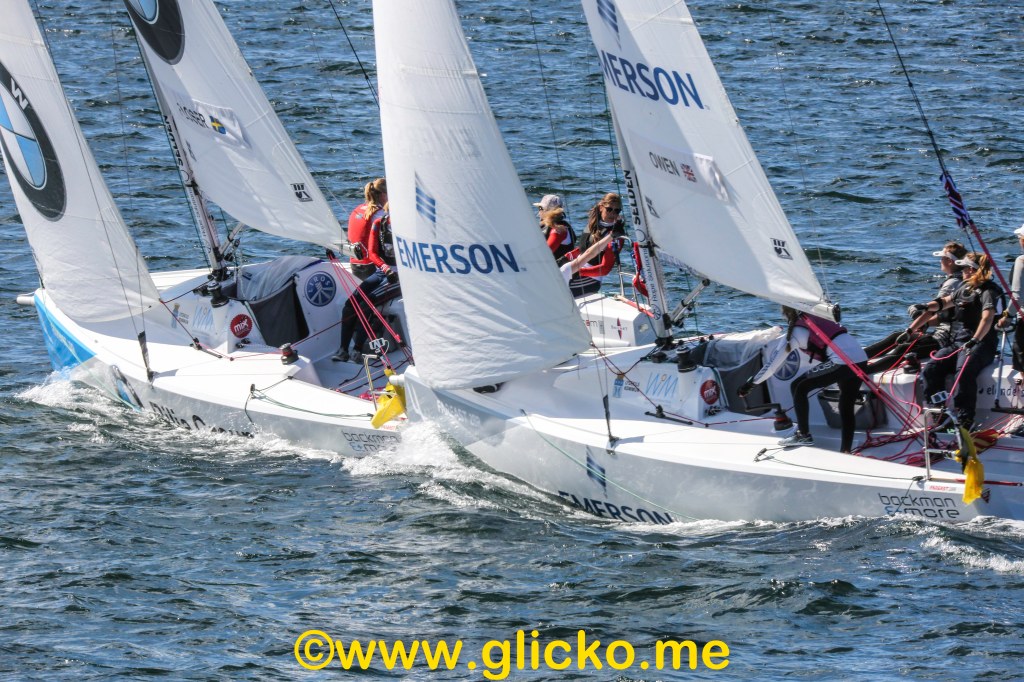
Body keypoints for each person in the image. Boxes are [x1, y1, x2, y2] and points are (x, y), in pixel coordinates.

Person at [739, 307, 868, 453]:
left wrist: (751, 384)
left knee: (799, 386)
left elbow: (772, 365)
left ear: (787, 314)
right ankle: (846, 450)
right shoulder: (819, 319)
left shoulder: (795, 332)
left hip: (842, 362)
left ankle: (804, 435)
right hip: (861, 359)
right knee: (846, 405)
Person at [910, 252, 1003, 430]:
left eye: (966, 268)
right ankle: (940, 412)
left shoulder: (989, 292)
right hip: (960, 341)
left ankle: (965, 419)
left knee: (963, 371)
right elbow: (944, 302)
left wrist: (975, 340)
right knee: (931, 369)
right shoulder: (964, 288)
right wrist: (923, 309)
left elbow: (987, 318)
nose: (963, 271)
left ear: (973, 270)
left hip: (982, 343)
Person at [863, 241, 967, 372]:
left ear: (950, 261)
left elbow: (932, 310)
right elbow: (948, 315)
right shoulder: (961, 281)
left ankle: (860, 371)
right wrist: (925, 324)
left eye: (942, 258)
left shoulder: (952, 283)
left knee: (903, 348)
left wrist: (910, 330)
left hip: (946, 340)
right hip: (944, 333)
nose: (940, 261)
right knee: (896, 337)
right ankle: (857, 359)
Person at [334, 204, 400, 362]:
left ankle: (357, 349)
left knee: (366, 304)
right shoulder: (379, 225)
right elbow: (372, 253)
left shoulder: (407, 228)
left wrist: (395, 272)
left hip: (401, 278)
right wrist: (385, 268)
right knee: (350, 304)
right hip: (382, 272)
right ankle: (343, 349)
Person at [568, 193, 627, 298]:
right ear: (601, 208)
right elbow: (583, 249)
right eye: (609, 209)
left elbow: (605, 269)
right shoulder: (593, 224)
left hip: (591, 279)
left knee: (559, 289)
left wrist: (578, 272)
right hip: (576, 268)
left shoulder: (616, 235)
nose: (612, 213)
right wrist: (565, 258)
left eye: (616, 211)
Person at [347, 178, 387, 281]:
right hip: (372, 267)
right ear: (383, 195)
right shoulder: (381, 214)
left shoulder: (357, 209)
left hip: (355, 264)